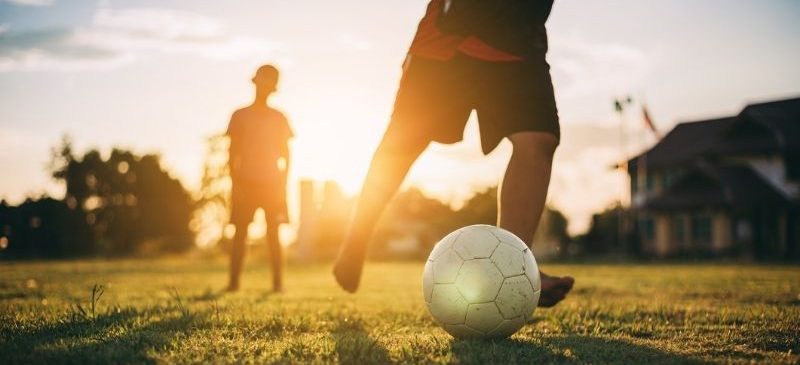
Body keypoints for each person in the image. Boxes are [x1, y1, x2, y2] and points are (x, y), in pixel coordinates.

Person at [333, 0, 574, 307]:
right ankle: (357, 237)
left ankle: (512, 267)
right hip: (450, 37)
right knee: (404, 141)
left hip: (519, 41)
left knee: (539, 139)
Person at [226, 65, 294, 292]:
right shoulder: (240, 115)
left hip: (272, 184)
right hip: (245, 182)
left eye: (271, 81)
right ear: (255, 82)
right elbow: (232, 153)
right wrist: (236, 184)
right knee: (240, 233)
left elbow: (287, 155)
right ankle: (234, 283)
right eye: (264, 80)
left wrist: (283, 187)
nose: (267, 85)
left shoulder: (279, 118)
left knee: (274, 233)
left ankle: (278, 285)